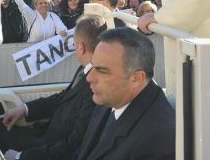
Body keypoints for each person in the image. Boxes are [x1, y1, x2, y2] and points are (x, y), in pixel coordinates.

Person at [0, 15, 107, 160]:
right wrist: (24, 108)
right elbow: (63, 97)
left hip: (49, 148)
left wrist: (20, 157)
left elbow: (73, 146)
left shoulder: (95, 88)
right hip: (44, 135)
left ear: (81, 47)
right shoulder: (84, 69)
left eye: (74, 45)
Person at [74, 27, 175, 160]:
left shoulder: (158, 137)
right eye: (92, 66)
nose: (89, 78)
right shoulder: (110, 98)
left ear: (136, 78)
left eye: (102, 70)